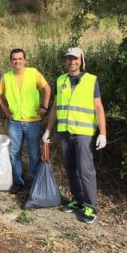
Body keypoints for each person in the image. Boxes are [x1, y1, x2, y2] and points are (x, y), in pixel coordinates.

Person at [43, 47, 107, 224]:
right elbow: (55, 107)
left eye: (75, 59)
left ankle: (90, 206)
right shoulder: (60, 80)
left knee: (85, 169)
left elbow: (98, 108)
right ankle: (78, 199)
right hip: (64, 132)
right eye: (69, 59)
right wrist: (48, 130)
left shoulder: (91, 80)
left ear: (81, 60)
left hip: (83, 133)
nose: (72, 62)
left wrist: (103, 133)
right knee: (71, 168)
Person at [0, 48, 51, 194]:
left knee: (33, 154)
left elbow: (47, 88)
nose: (17, 61)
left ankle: (33, 184)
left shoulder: (33, 72)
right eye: (14, 59)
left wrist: (45, 106)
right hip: (15, 123)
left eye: (20, 58)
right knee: (14, 153)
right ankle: (18, 181)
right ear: (11, 61)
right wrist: (6, 110)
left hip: (32, 122)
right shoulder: (7, 77)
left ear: (24, 60)